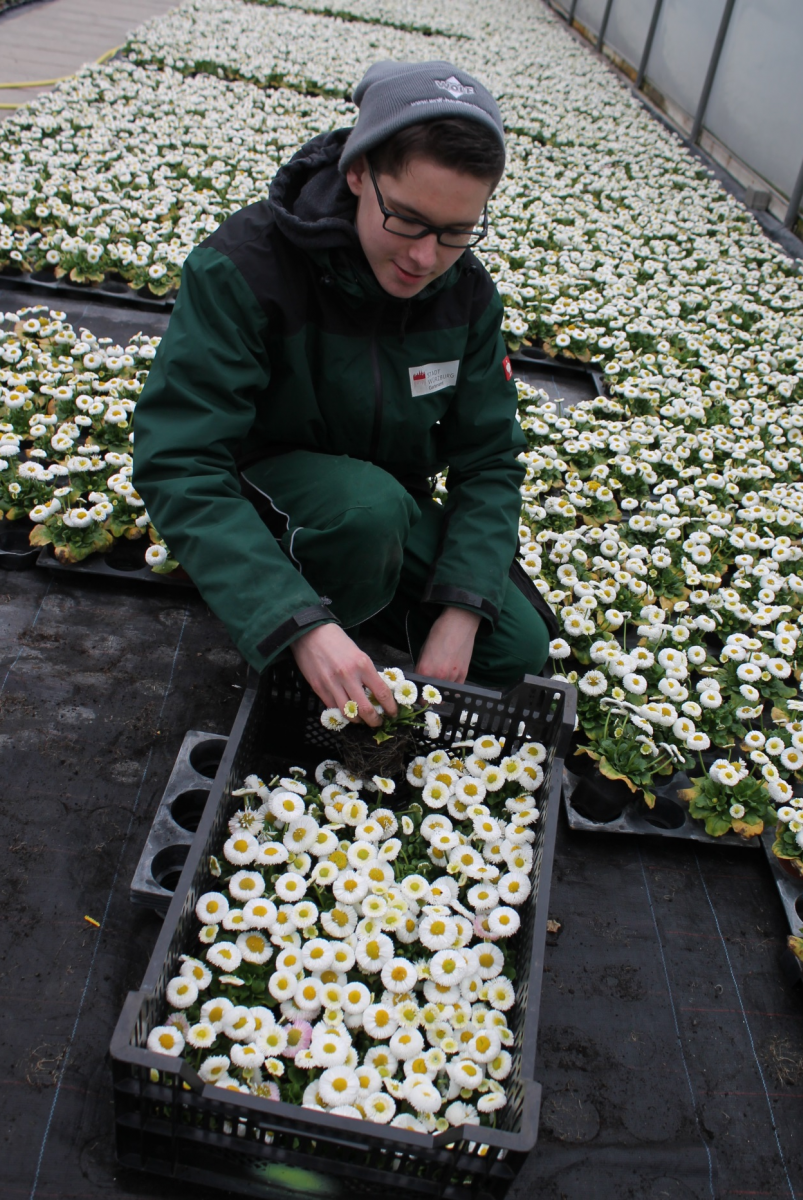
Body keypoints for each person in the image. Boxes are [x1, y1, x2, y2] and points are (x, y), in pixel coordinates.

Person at [133, 60, 553, 727]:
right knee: (368, 511)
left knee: (518, 648)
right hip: (268, 498)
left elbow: (490, 461)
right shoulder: (247, 267)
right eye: (409, 220)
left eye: (456, 232)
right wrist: (298, 625)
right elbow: (180, 461)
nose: (425, 258)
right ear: (358, 173)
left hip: (381, 512)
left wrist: (463, 608)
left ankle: (360, 603)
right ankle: (302, 656)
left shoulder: (466, 297)